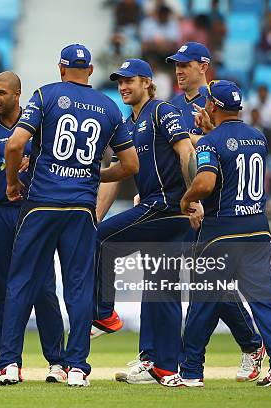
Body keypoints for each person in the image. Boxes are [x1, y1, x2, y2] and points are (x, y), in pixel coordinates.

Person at [0, 44, 139, 387]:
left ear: (60, 68)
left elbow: (14, 146)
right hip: (81, 208)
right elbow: (131, 165)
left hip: (41, 203)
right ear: (89, 71)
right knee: (78, 288)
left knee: (21, 282)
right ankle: (76, 367)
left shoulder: (45, 95)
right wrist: (92, 173)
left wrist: (13, 184)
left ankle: (9, 365)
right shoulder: (110, 107)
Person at [168, 79, 271, 387]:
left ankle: (190, 372)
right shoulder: (259, 137)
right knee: (264, 299)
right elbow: (233, 149)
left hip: (221, 233)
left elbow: (206, 183)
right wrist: (210, 133)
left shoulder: (212, 143)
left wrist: (186, 199)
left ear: (212, 105)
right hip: (257, 230)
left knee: (203, 303)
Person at [90, 58, 196, 385]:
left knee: (103, 240)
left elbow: (185, 151)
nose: (123, 86)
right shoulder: (127, 123)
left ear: (147, 83)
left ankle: (104, 314)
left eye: (130, 80)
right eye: (120, 81)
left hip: (165, 207)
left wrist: (194, 196)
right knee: (162, 289)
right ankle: (165, 368)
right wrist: (96, 214)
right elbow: (119, 174)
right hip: (159, 209)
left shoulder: (162, 111)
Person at [166, 42, 265, 382]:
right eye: (176, 65)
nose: (179, 70)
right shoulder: (174, 104)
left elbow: (226, 153)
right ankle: (251, 345)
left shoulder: (221, 100)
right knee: (211, 287)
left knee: (205, 288)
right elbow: (180, 154)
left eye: (186, 64)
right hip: (185, 205)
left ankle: (190, 368)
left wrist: (197, 200)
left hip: (213, 211)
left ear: (203, 66)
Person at [0, 71, 66, 384]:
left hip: (34, 213)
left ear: (17, 94)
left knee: (44, 288)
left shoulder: (41, 129)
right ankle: (8, 362)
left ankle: (57, 363)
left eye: (0, 93)